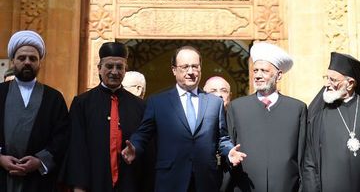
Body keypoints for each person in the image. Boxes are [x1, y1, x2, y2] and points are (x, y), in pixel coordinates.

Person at [121, 45, 247, 192]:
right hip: (170, 179)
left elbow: (222, 138)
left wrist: (229, 151)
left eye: (195, 66)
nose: (190, 72)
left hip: (205, 180)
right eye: (185, 67)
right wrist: (135, 146)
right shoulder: (157, 102)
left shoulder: (214, 103)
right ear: (174, 70)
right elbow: (144, 133)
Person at [63, 42, 153, 192]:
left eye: (120, 67)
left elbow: (147, 149)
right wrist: (78, 186)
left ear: (125, 70)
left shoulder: (140, 106)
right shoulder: (82, 103)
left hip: (129, 183)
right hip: (93, 183)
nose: (115, 71)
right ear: (99, 68)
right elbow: (76, 148)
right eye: (109, 66)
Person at [226, 42, 307, 192]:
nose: (257, 75)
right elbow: (227, 147)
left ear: (279, 75)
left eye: (264, 70)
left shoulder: (297, 109)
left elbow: (303, 155)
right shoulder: (236, 108)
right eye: (255, 70)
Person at [303, 52, 360, 192]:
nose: (326, 84)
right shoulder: (319, 114)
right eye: (326, 78)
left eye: (333, 80)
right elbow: (309, 162)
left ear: (350, 83)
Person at [0, 30, 69, 192]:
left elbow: (62, 136)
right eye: (21, 58)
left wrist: (40, 161)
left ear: (40, 63)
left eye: (33, 58)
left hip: (38, 181)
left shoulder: (54, 98)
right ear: (12, 61)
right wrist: (0, 159)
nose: (27, 62)